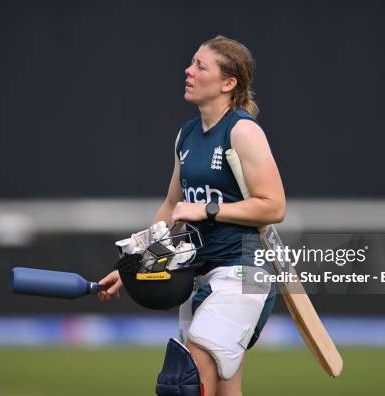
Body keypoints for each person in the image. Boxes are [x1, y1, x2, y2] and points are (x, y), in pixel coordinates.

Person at [98, 35, 286, 396]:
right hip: (198, 274)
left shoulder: (243, 132)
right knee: (223, 389)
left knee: (183, 381)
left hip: (243, 273)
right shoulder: (186, 135)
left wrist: (208, 209)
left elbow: (274, 206)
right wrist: (137, 263)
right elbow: (172, 208)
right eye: (192, 63)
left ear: (228, 84)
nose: (188, 70)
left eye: (201, 66)